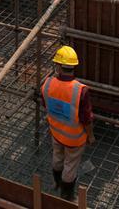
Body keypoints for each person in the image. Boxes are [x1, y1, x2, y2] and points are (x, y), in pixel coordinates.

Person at [40, 45, 94, 200]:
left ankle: (57, 183)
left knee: (57, 158)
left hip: (56, 132)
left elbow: (46, 104)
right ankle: (67, 194)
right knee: (70, 165)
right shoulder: (80, 90)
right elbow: (86, 118)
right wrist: (90, 136)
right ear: (74, 66)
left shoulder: (48, 84)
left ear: (58, 66)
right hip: (74, 139)